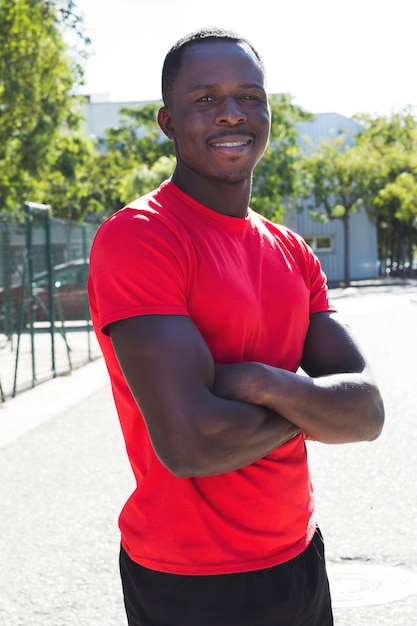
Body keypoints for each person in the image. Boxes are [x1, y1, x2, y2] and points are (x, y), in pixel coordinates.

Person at [87, 27, 384, 626]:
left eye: (250, 96)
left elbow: (368, 413)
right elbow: (193, 444)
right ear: (169, 122)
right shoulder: (142, 237)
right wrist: (312, 408)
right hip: (190, 579)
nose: (232, 114)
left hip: (299, 552)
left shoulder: (292, 250)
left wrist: (259, 382)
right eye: (206, 99)